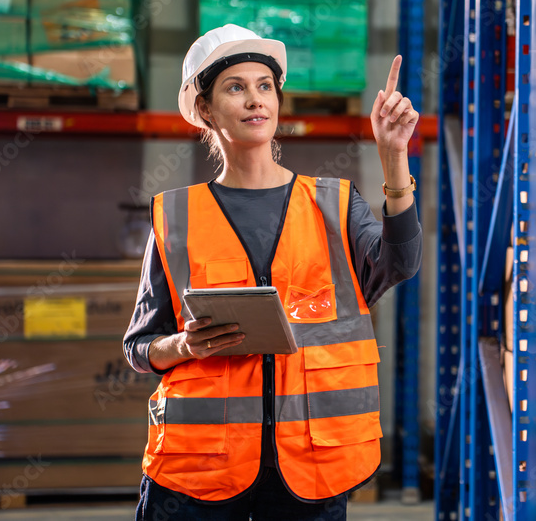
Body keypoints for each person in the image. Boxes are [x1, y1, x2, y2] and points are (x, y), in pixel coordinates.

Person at [123, 25, 422, 520]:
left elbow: (401, 263)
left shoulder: (335, 204)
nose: (254, 99)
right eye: (235, 87)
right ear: (205, 109)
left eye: (264, 86)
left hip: (311, 465)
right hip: (199, 475)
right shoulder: (176, 218)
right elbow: (139, 347)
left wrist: (393, 157)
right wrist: (183, 346)